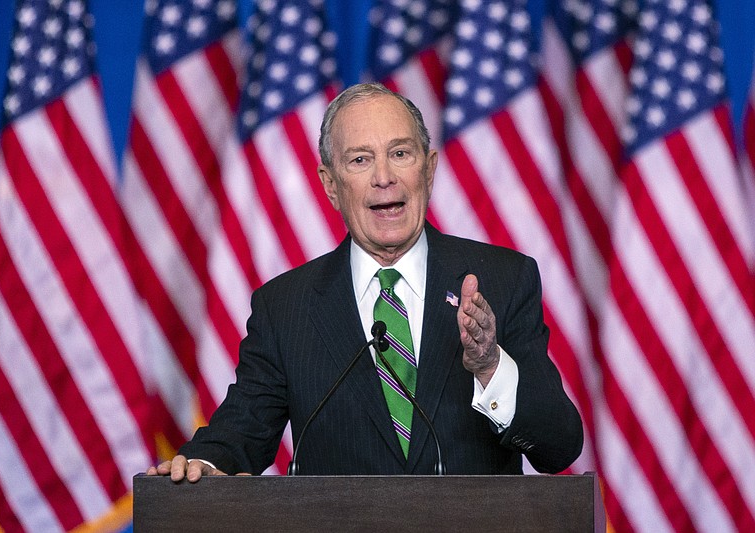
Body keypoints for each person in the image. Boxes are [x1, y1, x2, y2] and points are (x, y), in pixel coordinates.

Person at [147, 82, 582, 481]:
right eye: (360, 160)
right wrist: (200, 466)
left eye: (400, 153)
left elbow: (558, 448)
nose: (383, 177)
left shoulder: (503, 280)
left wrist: (490, 366)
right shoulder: (286, 306)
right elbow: (242, 431)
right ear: (331, 185)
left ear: (428, 171)